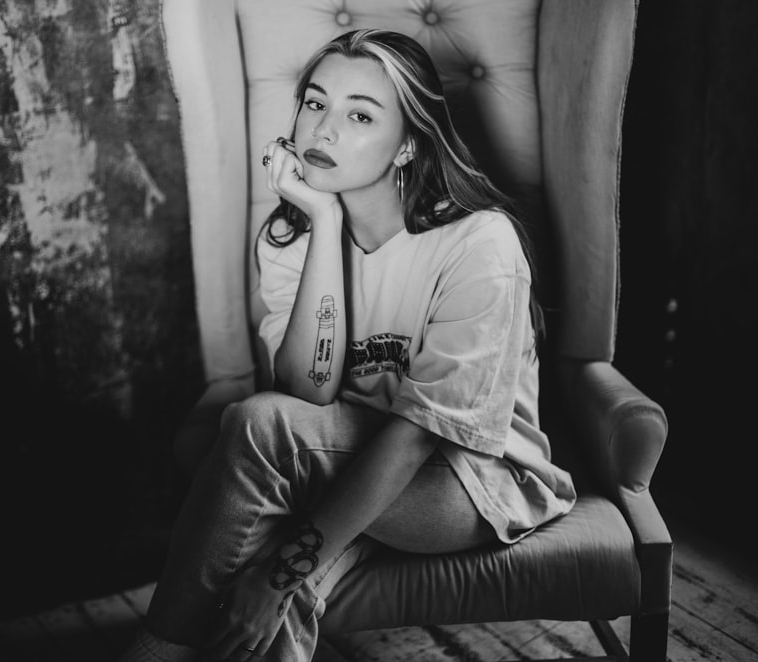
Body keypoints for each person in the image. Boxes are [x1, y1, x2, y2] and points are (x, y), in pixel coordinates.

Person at [119, 28, 576, 662]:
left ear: (407, 144)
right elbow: (308, 390)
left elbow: (411, 435)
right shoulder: (290, 240)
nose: (323, 131)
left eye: (360, 114)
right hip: (348, 462)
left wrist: (283, 569)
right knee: (264, 587)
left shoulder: (479, 243)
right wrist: (325, 222)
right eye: (314, 102)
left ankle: (155, 651)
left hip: (470, 482)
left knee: (257, 430)